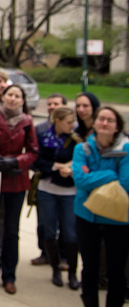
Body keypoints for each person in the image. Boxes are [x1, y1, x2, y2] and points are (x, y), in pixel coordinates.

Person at [0, 84, 39, 295]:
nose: (13, 99)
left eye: (17, 96)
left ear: (22, 100)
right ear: (2, 97)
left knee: (12, 231)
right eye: (10, 95)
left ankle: (9, 275)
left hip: (16, 180)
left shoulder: (27, 121)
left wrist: (16, 161)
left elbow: (33, 151)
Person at [72, 106, 129, 307]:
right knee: (89, 268)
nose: (105, 123)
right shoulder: (82, 148)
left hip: (117, 219)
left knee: (116, 269)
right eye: (101, 119)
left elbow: (125, 183)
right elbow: (79, 180)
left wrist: (92, 177)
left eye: (110, 120)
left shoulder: (126, 149)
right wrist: (110, 175)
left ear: (117, 127)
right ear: (94, 123)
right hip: (86, 217)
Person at [34, 107, 81, 290]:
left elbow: (82, 163)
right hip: (47, 190)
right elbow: (36, 161)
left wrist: (72, 167)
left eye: (73, 122)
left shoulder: (76, 141)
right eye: (69, 122)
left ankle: (72, 272)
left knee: (70, 232)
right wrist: (55, 166)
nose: (72, 126)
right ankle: (55, 269)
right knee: (49, 231)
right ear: (58, 120)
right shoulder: (44, 138)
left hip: (69, 192)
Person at [32, 92, 68, 266]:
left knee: (66, 225)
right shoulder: (40, 129)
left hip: (67, 186)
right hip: (45, 183)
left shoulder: (72, 132)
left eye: (56, 104)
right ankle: (45, 253)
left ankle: (63, 255)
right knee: (45, 223)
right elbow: (35, 158)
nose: (52, 107)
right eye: (50, 104)